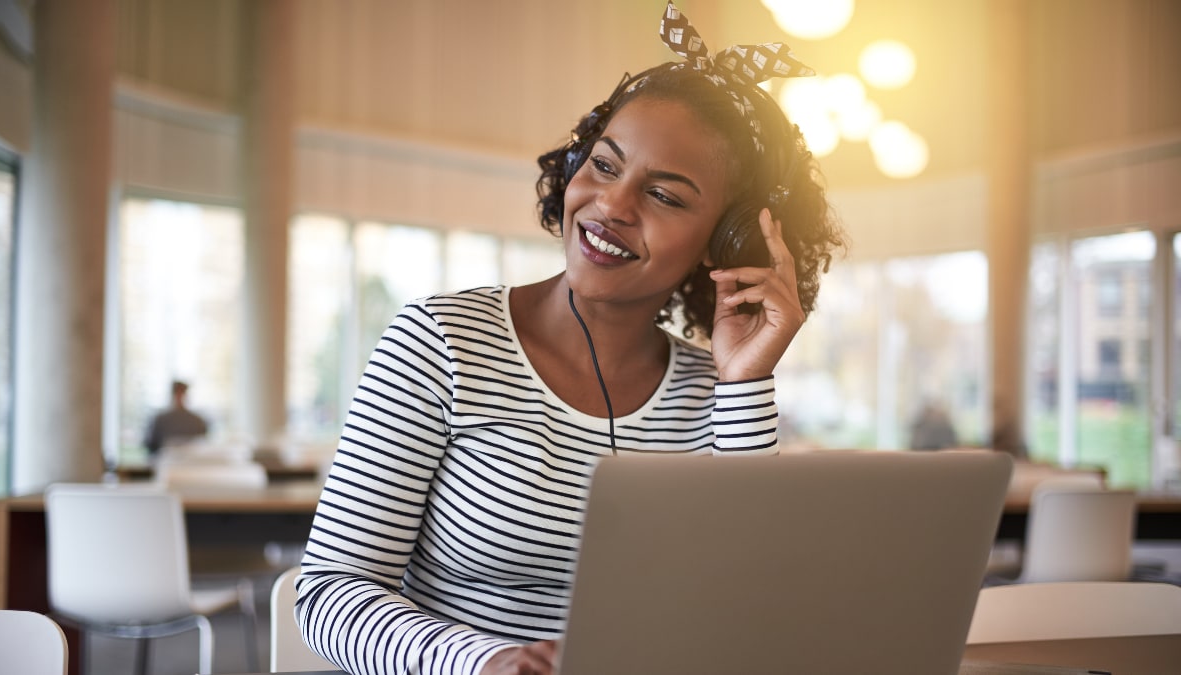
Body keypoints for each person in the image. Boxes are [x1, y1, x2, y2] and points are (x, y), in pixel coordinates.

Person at [295, 4, 846, 674]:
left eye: (666, 197)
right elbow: (329, 591)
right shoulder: (439, 340)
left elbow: (745, 608)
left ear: (727, 242)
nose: (613, 206)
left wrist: (746, 380)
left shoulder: (719, 393)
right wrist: (489, 661)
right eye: (605, 165)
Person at [143, 379, 209, 455]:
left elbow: (204, 443)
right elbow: (151, 445)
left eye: (182, 393)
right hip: (167, 461)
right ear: (173, 394)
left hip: (192, 462)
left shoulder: (197, 420)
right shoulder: (160, 420)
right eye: (177, 393)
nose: (180, 397)